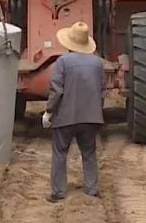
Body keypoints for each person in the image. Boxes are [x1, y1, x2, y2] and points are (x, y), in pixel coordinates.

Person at [42, 21, 105, 202]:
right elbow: (102, 91)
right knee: (89, 153)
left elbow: (57, 90)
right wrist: (96, 111)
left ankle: (58, 192)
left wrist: (49, 112)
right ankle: (92, 189)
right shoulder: (97, 63)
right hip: (91, 118)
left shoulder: (63, 62)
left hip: (65, 118)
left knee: (60, 153)